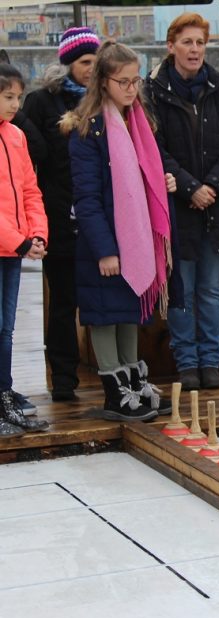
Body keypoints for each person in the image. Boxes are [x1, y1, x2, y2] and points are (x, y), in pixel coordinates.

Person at [63, 41, 176, 422]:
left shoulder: (140, 123)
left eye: (135, 81)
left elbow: (143, 180)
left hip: (135, 238)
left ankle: (134, 379)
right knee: (103, 314)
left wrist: (165, 183)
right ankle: (115, 391)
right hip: (105, 241)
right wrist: (105, 249)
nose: (131, 89)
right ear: (103, 82)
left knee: (129, 311)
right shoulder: (88, 131)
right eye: (123, 82)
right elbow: (88, 198)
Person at [146, 12, 219, 391]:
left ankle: (211, 361)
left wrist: (214, 185)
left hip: (215, 205)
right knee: (181, 288)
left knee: (210, 288)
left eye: (200, 43)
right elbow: (155, 148)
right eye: (187, 42)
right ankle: (187, 361)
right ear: (171, 46)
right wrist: (190, 188)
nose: (194, 49)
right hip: (177, 205)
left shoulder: (218, 88)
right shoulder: (153, 91)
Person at [21, 26, 100, 404]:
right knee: (64, 302)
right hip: (58, 214)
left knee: (101, 298)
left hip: (98, 215)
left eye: (95, 61)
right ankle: (64, 378)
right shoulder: (41, 101)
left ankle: (111, 372)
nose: (91, 67)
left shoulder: (103, 99)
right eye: (85, 61)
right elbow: (23, 139)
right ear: (69, 62)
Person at [0, 65, 50, 435]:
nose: (16, 104)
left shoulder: (16, 136)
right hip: (8, 243)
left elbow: (30, 190)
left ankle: (3, 393)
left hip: (13, 249)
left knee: (6, 329)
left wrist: (37, 235)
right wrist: (17, 239)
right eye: (8, 97)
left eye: (18, 96)